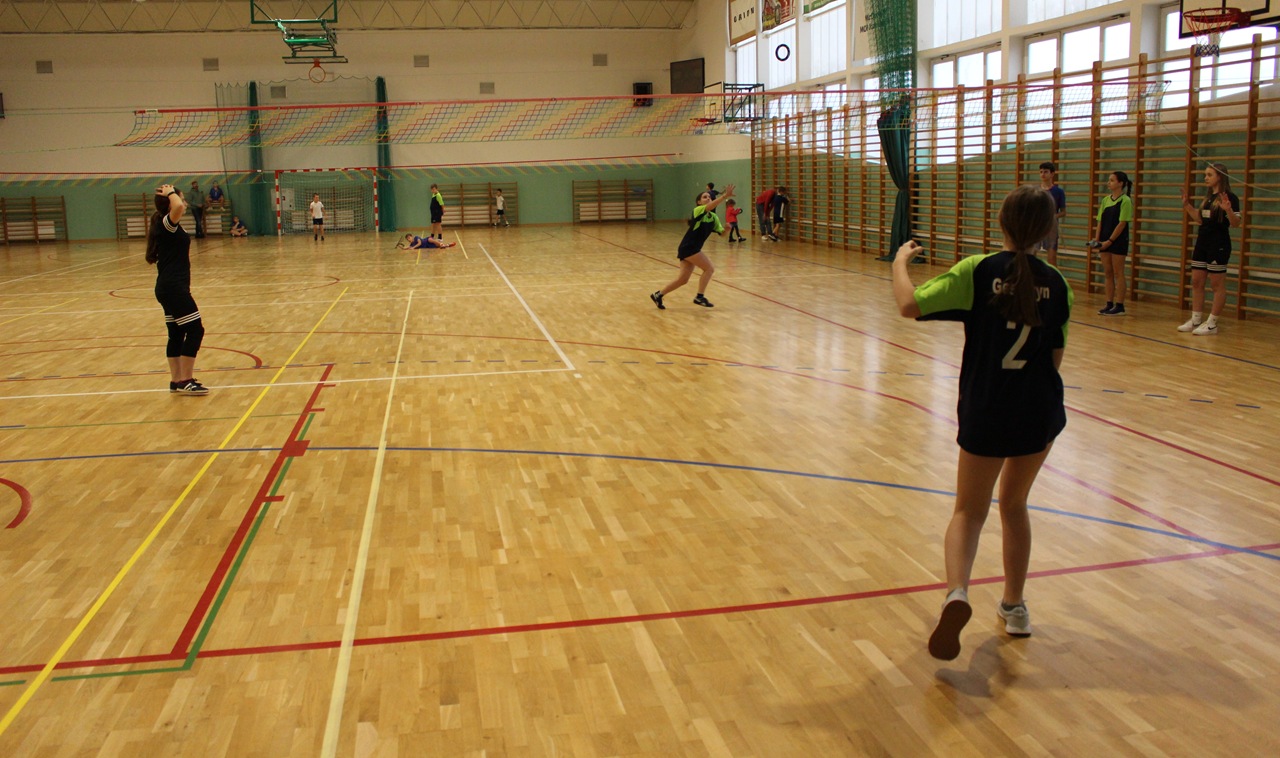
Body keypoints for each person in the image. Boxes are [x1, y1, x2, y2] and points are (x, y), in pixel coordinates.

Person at [891, 184, 1073, 661]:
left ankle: (957, 592)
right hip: (1038, 410)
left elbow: (909, 305)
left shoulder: (978, 270)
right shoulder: (1058, 283)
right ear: (1048, 229)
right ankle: (1015, 607)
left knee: (969, 512)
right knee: (1015, 505)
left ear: (1001, 222)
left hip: (987, 406)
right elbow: (1054, 360)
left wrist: (899, 263)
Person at [146, 184, 209, 396]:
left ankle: (176, 380)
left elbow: (179, 207)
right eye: (181, 197)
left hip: (168, 287)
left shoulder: (165, 224)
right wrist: (171, 192)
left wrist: (172, 195)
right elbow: (179, 207)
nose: (184, 201)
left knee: (176, 333)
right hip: (173, 288)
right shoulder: (167, 223)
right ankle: (186, 380)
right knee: (195, 330)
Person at [1178, 163, 1242, 335]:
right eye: (1205, 174)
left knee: (1216, 284)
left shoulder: (1230, 197)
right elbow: (1200, 220)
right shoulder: (1207, 198)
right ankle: (1196, 319)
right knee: (1197, 281)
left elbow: (1236, 223)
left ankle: (1212, 324)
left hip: (1218, 244)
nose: (1205, 178)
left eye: (1209, 175)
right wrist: (1187, 205)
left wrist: (1228, 210)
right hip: (1202, 242)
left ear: (1220, 176)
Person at [651, 184, 735, 309]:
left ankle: (658, 295)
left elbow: (721, 234)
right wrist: (724, 196)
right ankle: (699, 297)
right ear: (699, 202)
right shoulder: (697, 211)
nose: (708, 198)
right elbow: (710, 206)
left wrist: (726, 230)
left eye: (709, 197)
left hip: (691, 248)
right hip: (689, 247)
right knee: (709, 269)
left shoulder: (713, 217)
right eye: (704, 197)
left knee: (683, 280)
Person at [1091, 171, 1133, 316]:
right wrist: (1097, 240)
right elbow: (1100, 221)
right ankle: (1109, 303)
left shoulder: (1125, 200)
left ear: (1120, 183)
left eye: (1112, 180)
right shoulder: (1105, 200)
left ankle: (1120, 305)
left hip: (1118, 240)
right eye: (1109, 180)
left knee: (1118, 272)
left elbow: (1122, 223)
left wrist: (1110, 241)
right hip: (1104, 240)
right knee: (1108, 272)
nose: (1108, 183)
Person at [1038, 162, 1067, 266]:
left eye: (1045, 172)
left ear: (1052, 174)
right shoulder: (1036, 191)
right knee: (1031, 255)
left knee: (1052, 259)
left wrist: (1053, 216)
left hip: (1051, 228)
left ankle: (1052, 276)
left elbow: (1063, 212)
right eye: (1041, 172)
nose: (1043, 174)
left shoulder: (1058, 191)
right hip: (1036, 227)